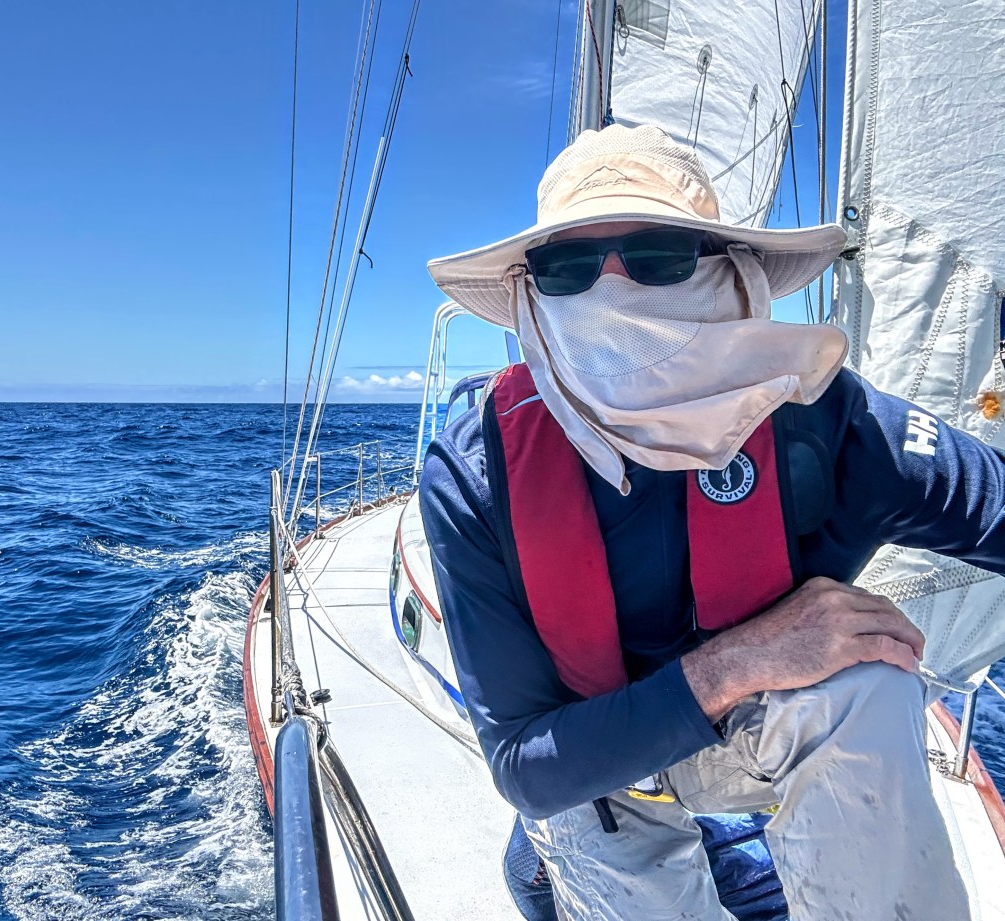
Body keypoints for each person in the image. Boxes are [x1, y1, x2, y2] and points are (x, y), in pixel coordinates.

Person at [419, 123, 998, 920]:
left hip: (763, 736)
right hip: (594, 766)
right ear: (532, 294)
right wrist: (738, 661)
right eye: (568, 268)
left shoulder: (828, 425)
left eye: (660, 258)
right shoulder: (474, 472)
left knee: (864, 683)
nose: (611, 296)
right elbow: (525, 761)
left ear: (730, 272)